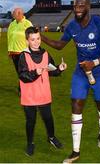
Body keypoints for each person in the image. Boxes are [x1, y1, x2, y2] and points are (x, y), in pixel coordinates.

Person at [41, 0, 100, 163]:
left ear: (88, 7)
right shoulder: (72, 26)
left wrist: (95, 63)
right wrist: (42, 38)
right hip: (80, 73)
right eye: (75, 6)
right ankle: (76, 151)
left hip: (99, 73)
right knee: (76, 106)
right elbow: (60, 45)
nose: (77, 9)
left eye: (81, 6)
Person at [18, 26, 67, 156]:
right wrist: (35, 72)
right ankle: (30, 143)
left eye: (38, 38)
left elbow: (51, 70)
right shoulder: (23, 55)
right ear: (27, 41)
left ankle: (51, 137)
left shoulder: (45, 54)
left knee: (48, 118)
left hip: (44, 93)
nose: (36, 42)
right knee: (31, 121)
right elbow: (22, 75)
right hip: (29, 95)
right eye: (33, 39)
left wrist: (59, 69)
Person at [7, 7, 32, 73]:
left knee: (25, 72)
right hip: (14, 53)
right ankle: (22, 82)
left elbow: (32, 38)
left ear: (20, 13)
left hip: (23, 53)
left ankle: (26, 83)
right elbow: (9, 37)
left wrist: (32, 51)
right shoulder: (12, 24)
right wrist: (9, 50)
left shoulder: (27, 23)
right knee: (18, 71)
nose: (12, 14)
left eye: (14, 13)